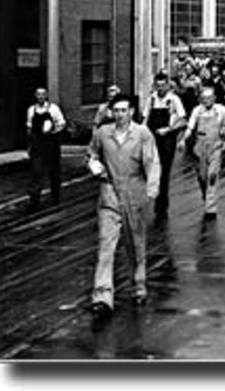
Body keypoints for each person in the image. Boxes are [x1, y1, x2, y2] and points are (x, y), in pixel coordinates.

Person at [87, 94, 161, 322]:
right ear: (111, 112)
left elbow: (152, 162)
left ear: (131, 112)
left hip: (134, 191)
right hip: (109, 193)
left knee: (135, 243)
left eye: (124, 110)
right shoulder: (103, 133)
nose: (119, 114)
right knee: (105, 246)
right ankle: (102, 297)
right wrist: (92, 163)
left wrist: (151, 189)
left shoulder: (142, 134)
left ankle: (138, 285)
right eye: (116, 110)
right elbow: (91, 152)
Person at [178, 86, 225, 218]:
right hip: (200, 146)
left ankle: (211, 208)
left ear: (214, 98)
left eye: (209, 98)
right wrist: (182, 140)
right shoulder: (197, 111)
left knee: (212, 176)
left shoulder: (222, 110)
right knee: (202, 176)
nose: (206, 101)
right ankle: (206, 194)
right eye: (203, 98)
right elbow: (190, 127)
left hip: (215, 146)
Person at [142, 72, 187, 218]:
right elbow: (145, 117)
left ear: (168, 85)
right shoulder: (151, 99)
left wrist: (168, 129)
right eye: (158, 86)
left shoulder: (174, 100)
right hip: (152, 137)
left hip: (167, 138)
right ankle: (148, 198)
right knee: (148, 167)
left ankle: (161, 206)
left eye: (163, 85)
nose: (160, 89)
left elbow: (183, 120)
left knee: (164, 171)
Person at [26, 87, 66, 210]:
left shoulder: (54, 109)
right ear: (35, 96)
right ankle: (34, 200)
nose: (41, 96)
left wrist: (53, 132)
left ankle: (55, 197)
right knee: (36, 172)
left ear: (47, 95)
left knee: (54, 172)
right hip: (37, 146)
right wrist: (30, 144)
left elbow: (62, 123)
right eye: (38, 94)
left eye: (43, 94)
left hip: (51, 145)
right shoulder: (31, 110)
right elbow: (29, 127)